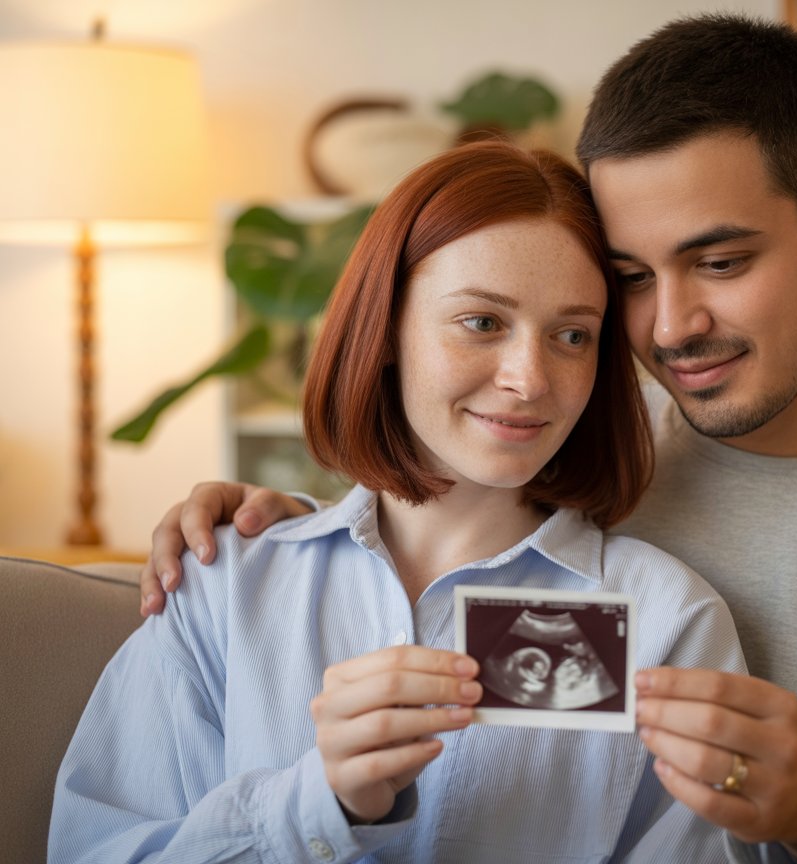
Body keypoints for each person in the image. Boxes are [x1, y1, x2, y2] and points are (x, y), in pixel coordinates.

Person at [138, 14, 797, 864]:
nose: (669, 326)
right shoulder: (568, 437)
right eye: (632, 280)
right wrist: (271, 527)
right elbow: (402, 552)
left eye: (722, 260)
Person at [49, 141, 746, 863]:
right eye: (482, 322)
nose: (530, 378)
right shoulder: (226, 586)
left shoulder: (665, 622)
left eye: (572, 336)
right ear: (385, 330)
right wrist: (314, 806)